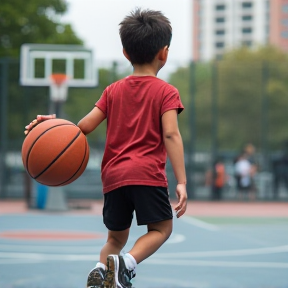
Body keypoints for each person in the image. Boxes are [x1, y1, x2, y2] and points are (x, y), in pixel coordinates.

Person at [25, 8, 188, 288]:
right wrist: (182, 181)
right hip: (146, 174)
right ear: (165, 52)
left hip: (113, 178)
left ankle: (101, 270)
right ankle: (126, 264)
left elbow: (82, 127)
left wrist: (50, 125)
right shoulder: (166, 92)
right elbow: (171, 134)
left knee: (114, 239)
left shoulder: (113, 90)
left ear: (125, 53)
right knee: (161, 228)